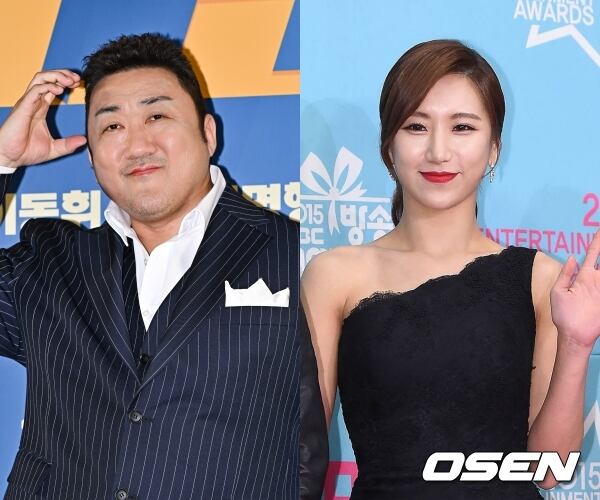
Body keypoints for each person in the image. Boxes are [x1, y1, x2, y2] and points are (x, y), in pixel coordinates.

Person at [0, 33, 327, 500]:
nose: (137, 144)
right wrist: (3, 159)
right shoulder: (50, 263)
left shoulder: (298, 256)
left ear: (208, 134)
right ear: (91, 157)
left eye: (157, 116)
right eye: (112, 126)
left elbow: (311, 450)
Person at [301, 39, 600, 499]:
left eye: (462, 127)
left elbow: (549, 470)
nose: (439, 151)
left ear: (494, 147)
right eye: (416, 126)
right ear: (389, 146)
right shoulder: (335, 276)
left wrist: (576, 346)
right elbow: (300, 453)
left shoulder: (541, 279)